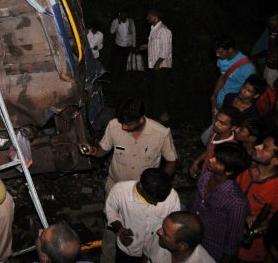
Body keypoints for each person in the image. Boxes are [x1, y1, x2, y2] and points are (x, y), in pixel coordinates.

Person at [80, 97, 177, 263]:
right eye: (122, 123)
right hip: (116, 188)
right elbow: (103, 149)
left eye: (129, 124)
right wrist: (93, 151)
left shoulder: (160, 133)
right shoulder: (114, 126)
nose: (123, 127)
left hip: (146, 195)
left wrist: (161, 183)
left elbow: (172, 161)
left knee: (143, 231)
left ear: (141, 119)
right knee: (111, 230)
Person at [190, 143, 250, 263]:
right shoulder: (206, 175)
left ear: (229, 172)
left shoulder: (236, 202)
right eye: (214, 156)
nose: (211, 159)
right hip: (192, 235)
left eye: (218, 161)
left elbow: (233, 240)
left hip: (211, 249)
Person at [105, 168, 180, 262]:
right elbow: (111, 212)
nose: (156, 204)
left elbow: (173, 225)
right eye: (152, 199)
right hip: (128, 249)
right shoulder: (120, 190)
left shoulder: (172, 197)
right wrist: (120, 230)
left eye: (160, 200)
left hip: (154, 251)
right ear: (141, 187)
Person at [235, 130, 278, 262]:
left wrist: (266, 223)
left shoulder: (275, 188)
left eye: (264, 147)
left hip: (250, 251)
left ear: (275, 160)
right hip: (229, 235)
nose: (257, 146)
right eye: (261, 143)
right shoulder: (245, 169)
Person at [139, 9, 172, 121]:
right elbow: (158, 45)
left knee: (160, 90)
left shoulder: (164, 30)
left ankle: (163, 115)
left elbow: (165, 51)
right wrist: (147, 46)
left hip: (161, 66)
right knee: (154, 90)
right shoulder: (154, 29)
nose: (147, 18)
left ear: (155, 16)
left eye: (148, 16)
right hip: (155, 65)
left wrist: (157, 64)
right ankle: (156, 113)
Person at [189, 106, 240, 179]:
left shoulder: (230, 148)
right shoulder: (215, 131)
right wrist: (197, 161)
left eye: (222, 123)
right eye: (216, 119)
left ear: (233, 127)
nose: (216, 124)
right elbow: (209, 149)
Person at [211, 35, 257, 111]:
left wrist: (230, 110)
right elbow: (222, 78)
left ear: (230, 50)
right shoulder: (221, 60)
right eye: (216, 52)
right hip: (218, 102)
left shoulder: (247, 67)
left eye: (220, 52)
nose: (217, 55)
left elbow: (250, 93)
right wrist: (214, 96)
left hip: (231, 108)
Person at [110, 10, 136, 79]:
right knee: (116, 60)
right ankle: (112, 74)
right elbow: (112, 31)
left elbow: (134, 33)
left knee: (124, 61)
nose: (124, 18)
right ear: (120, 15)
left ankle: (120, 76)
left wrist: (133, 45)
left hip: (128, 45)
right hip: (118, 45)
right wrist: (117, 23)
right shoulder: (115, 21)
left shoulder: (131, 21)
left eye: (125, 16)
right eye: (122, 16)